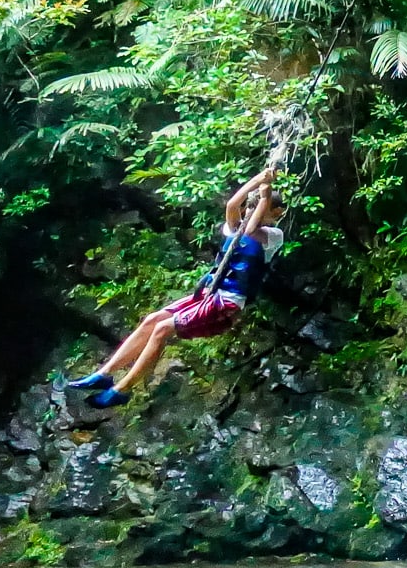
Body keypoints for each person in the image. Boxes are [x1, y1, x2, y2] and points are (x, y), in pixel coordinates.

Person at [66, 163, 286, 409]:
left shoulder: (273, 236)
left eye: (259, 208)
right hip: (208, 294)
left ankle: (123, 389)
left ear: (276, 212)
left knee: (162, 330)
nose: (250, 211)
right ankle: (105, 373)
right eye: (252, 206)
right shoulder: (235, 227)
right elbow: (232, 205)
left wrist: (266, 192)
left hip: (227, 302)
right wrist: (258, 179)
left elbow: (253, 226)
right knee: (152, 320)